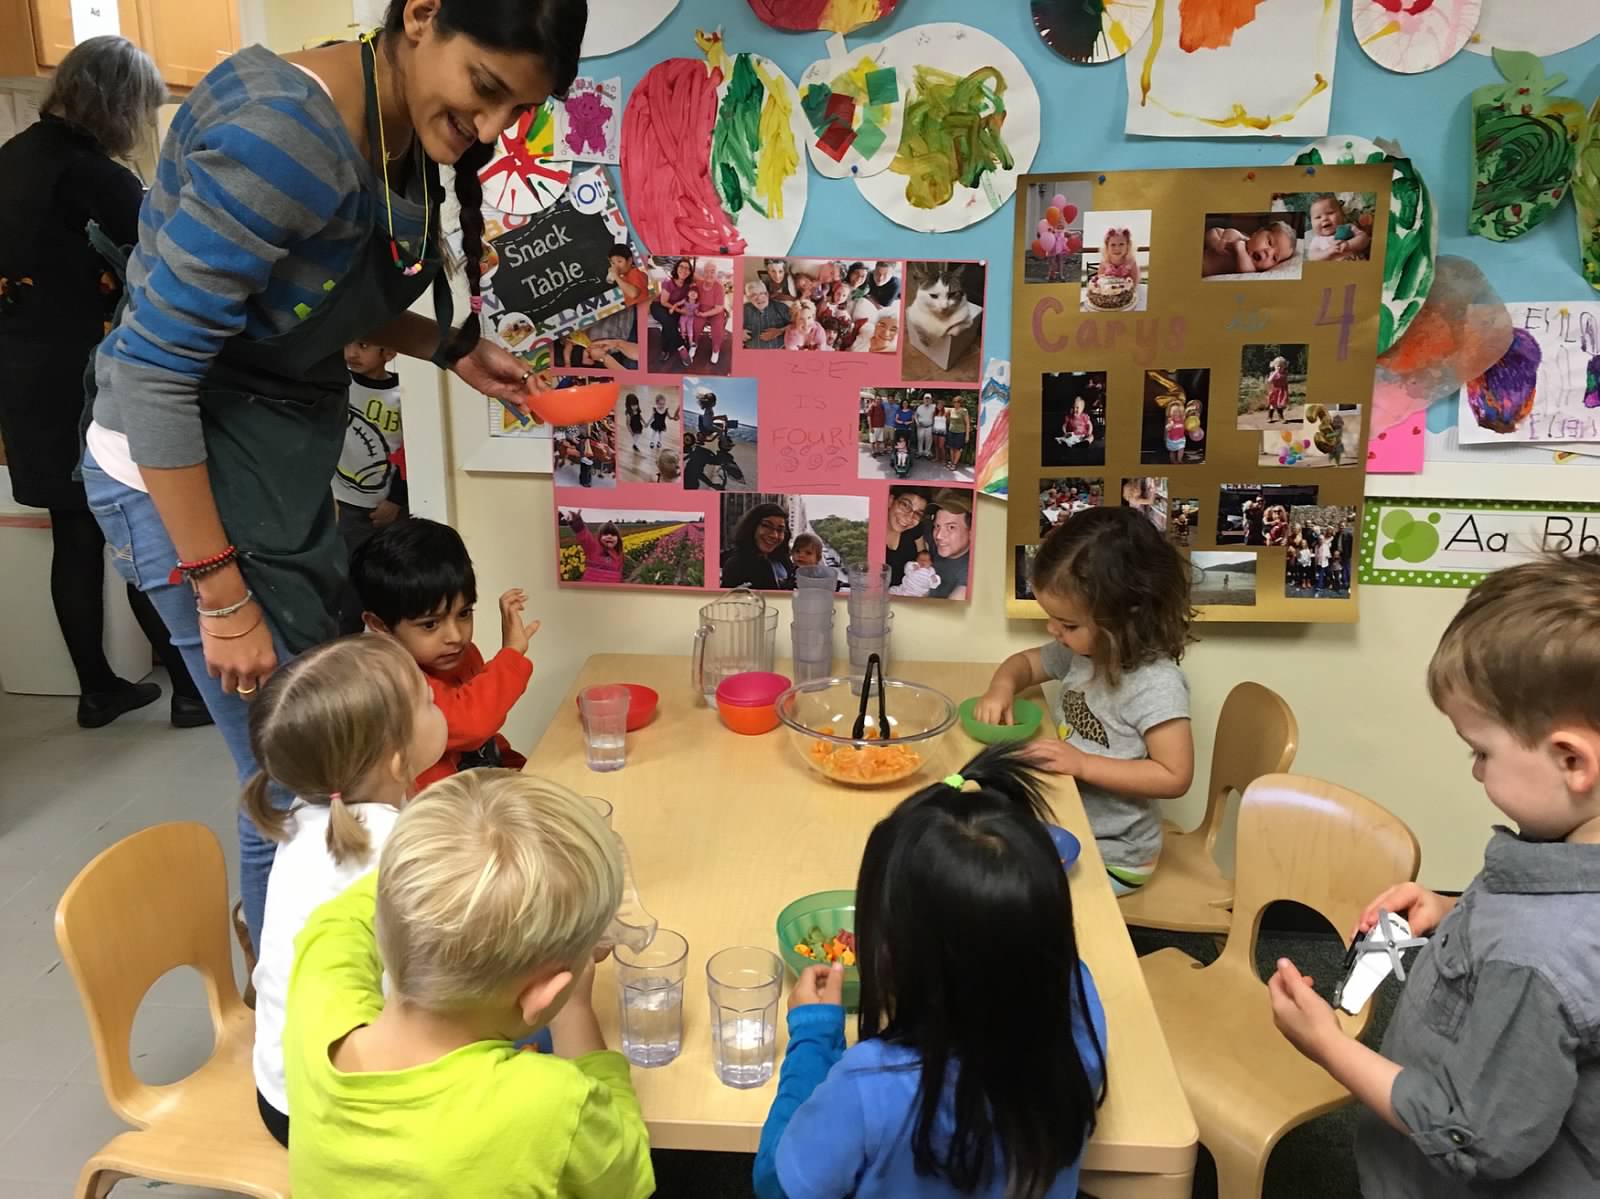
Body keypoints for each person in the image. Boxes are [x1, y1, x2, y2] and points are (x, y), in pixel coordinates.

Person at [77, 0, 583, 954]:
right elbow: (151, 375)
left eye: (515, 111)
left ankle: (336, 996)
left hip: (268, 466)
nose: (490, 131)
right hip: (180, 479)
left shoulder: (394, 131)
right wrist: (222, 596)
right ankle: (298, 1047)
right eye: (485, 91)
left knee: (332, 771)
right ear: (423, 14)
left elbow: (306, 287)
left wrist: (448, 347)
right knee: (299, 786)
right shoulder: (283, 133)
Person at [1270, 556, 1600, 1199]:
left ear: (1571, 760)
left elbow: (1469, 1137)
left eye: (1481, 751)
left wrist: (1326, 1045)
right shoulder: (1560, 859)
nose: (1475, 772)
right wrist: (1451, 910)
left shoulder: (1537, 957)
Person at [753, 745, 1107, 1199]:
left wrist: (813, 1036)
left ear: (895, 953)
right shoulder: (1080, 1005)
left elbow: (777, 1184)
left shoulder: (870, 1085)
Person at [283, 768, 654, 1197]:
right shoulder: (549, 1103)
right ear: (542, 995)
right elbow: (630, 1177)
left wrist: (440, 876)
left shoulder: (316, 998)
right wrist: (575, 1012)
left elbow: (337, 920)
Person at [0, 36, 206, 729]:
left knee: (76, 533)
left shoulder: (10, 160)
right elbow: (167, 263)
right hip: (90, 378)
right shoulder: (97, 176)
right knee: (140, 525)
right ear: (118, 105)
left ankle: (97, 688)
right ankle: (186, 688)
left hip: (23, 375)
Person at [243, 634, 446, 1145]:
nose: (438, 702)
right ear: (398, 762)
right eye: (427, 700)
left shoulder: (302, 820)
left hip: (282, 1090)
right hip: (345, 1113)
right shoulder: (398, 848)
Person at [976, 507, 1195, 894]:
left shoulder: (1155, 684)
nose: (1053, 630)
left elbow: (1174, 776)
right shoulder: (1083, 652)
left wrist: (1082, 763)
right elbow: (1024, 664)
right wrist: (1002, 687)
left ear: (1124, 617)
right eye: (1053, 619)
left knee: (998, 891)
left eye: (1068, 624)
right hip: (1070, 822)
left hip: (1115, 855)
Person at [351, 518, 538, 788]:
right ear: (380, 625)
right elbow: (472, 725)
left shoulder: (459, 656)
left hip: (479, 795)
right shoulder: (394, 681)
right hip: (440, 818)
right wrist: (511, 653)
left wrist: (518, 768)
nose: (455, 636)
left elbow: (483, 743)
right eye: (430, 624)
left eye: (463, 614)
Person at [333, 339, 407, 634]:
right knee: (347, 588)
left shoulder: (402, 392)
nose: (351, 352)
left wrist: (397, 500)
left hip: (385, 506)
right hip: (343, 505)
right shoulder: (338, 383)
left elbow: (412, 450)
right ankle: (347, 648)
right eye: (348, 343)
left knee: (387, 579)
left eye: (363, 345)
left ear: (388, 351)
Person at [721, 503, 793, 591]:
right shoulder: (736, 565)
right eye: (766, 526)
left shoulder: (784, 560)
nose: (774, 535)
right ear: (752, 527)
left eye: (780, 530)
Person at [1202, 219, 1298, 276]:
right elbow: (1213, 231)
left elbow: (1245, 272)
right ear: (1258, 232)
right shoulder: (1236, 235)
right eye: (1269, 242)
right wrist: (1215, 242)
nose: (1269, 253)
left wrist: (1240, 249)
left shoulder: (1251, 266)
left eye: (1274, 258)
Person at [927, 490, 974, 601]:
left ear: (971, 533)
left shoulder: (970, 571)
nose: (939, 536)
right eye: (937, 526)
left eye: (951, 527)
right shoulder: (937, 544)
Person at [883, 487, 930, 587]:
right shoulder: (868, 531)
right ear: (890, 501)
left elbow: (922, 553)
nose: (909, 518)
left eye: (918, 513)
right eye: (905, 505)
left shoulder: (915, 529)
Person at [652, 257, 695, 364]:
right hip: (659, 306)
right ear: (676, 268)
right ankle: (681, 348)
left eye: (687, 268)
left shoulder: (687, 285)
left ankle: (665, 350)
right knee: (668, 320)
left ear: (690, 272)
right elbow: (663, 302)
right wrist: (682, 311)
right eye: (681, 267)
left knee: (669, 324)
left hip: (674, 308)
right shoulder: (668, 282)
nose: (684, 270)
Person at [1305, 194, 1371, 263]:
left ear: (1342, 215)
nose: (1324, 219)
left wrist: (1349, 244)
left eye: (1330, 213)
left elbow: (1364, 238)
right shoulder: (1317, 240)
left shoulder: (1348, 227)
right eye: (1318, 217)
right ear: (1312, 223)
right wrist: (1327, 252)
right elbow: (1312, 257)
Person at [564, 510, 624, 585]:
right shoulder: (594, 548)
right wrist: (577, 523)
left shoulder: (619, 554)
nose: (609, 536)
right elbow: (585, 537)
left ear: (618, 539)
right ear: (599, 537)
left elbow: (619, 573)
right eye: (605, 534)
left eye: (613, 534)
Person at [691, 261, 728, 366]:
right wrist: (695, 309)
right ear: (703, 273)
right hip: (701, 309)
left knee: (717, 328)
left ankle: (716, 349)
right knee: (695, 325)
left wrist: (704, 314)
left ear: (716, 274)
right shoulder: (698, 284)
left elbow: (719, 308)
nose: (709, 274)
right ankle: (694, 345)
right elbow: (693, 298)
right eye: (706, 271)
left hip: (716, 311)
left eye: (712, 272)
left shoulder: (719, 287)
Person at [743, 280, 789, 350]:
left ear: (767, 294)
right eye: (753, 295)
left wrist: (780, 331)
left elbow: (797, 324)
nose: (759, 298)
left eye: (762, 293)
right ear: (748, 298)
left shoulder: (780, 307)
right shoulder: (744, 309)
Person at [944, 400, 970, 471]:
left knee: (957, 449)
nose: (956, 404)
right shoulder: (952, 410)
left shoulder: (964, 411)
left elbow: (967, 423)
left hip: (960, 432)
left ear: (960, 403)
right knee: (951, 448)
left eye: (958, 402)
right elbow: (941, 407)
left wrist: (967, 435)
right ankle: (952, 462)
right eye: (955, 402)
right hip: (951, 432)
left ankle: (954, 464)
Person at [1266, 355, 1290, 423]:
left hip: (1282, 391)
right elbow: (1269, 380)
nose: (1279, 367)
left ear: (1284, 366)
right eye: (1277, 366)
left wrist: (1286, 392)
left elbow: (1286, 382)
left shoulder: (1285, 373)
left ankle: (1281, 417)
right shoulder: (1273, 373)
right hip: (1274, 391)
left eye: (1281, 366)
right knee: (1273, 405)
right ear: (1274, 366)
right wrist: (1276, 372)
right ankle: (1269, 416)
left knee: (1280, 405)